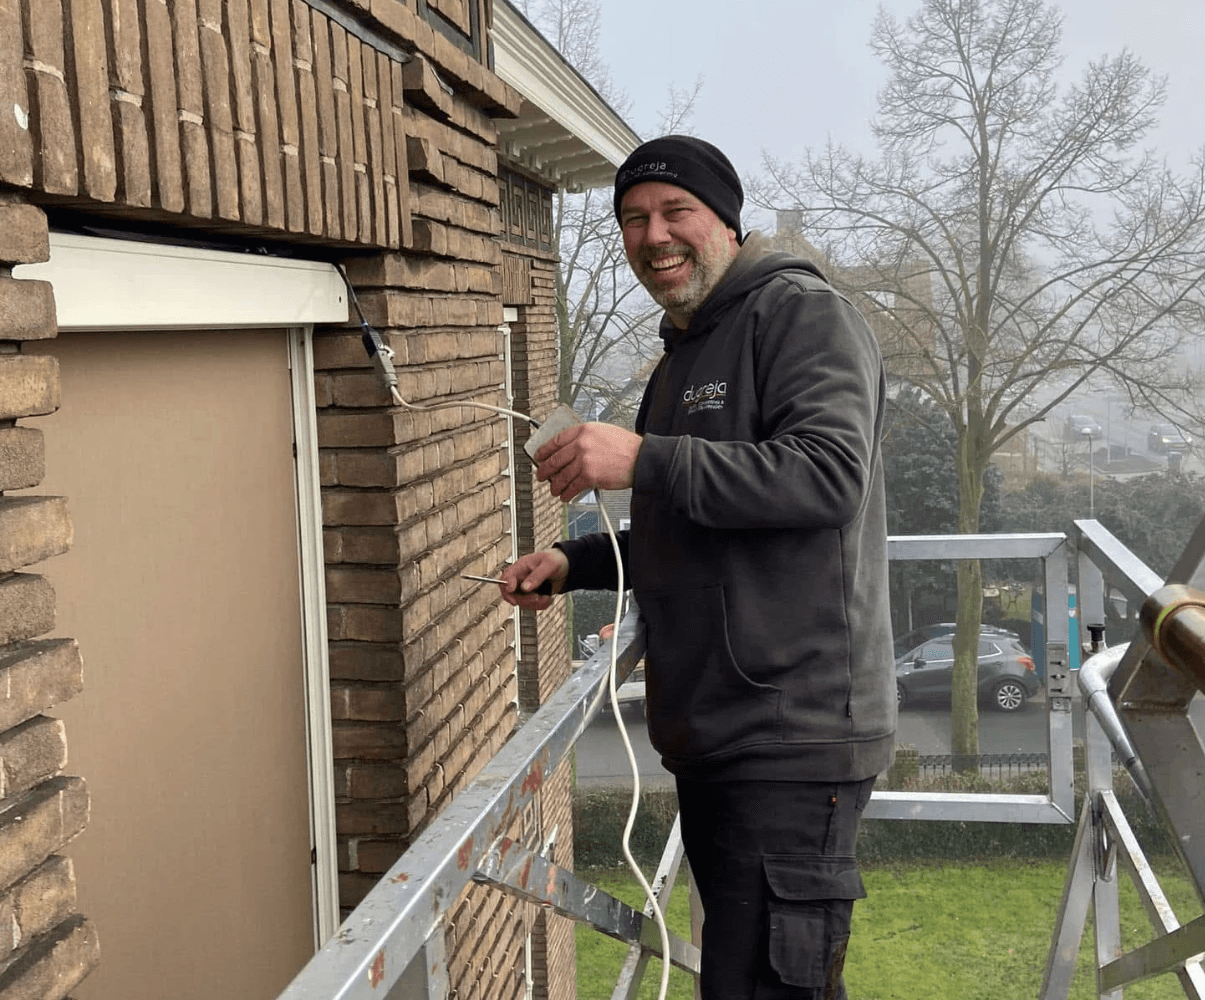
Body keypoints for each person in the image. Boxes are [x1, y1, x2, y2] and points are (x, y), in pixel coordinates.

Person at [500, 135, 896, 1000]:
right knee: (741, 977)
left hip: (790, 729)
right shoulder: (685, 349)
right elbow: (689, 518)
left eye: (675, 210)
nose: (653, 235)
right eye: (633, 218)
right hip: (720, 728)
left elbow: (827, 476)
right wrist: (573, 561)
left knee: (764, 987)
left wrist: (644, 456)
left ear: (724, 219)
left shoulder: (801, 314)